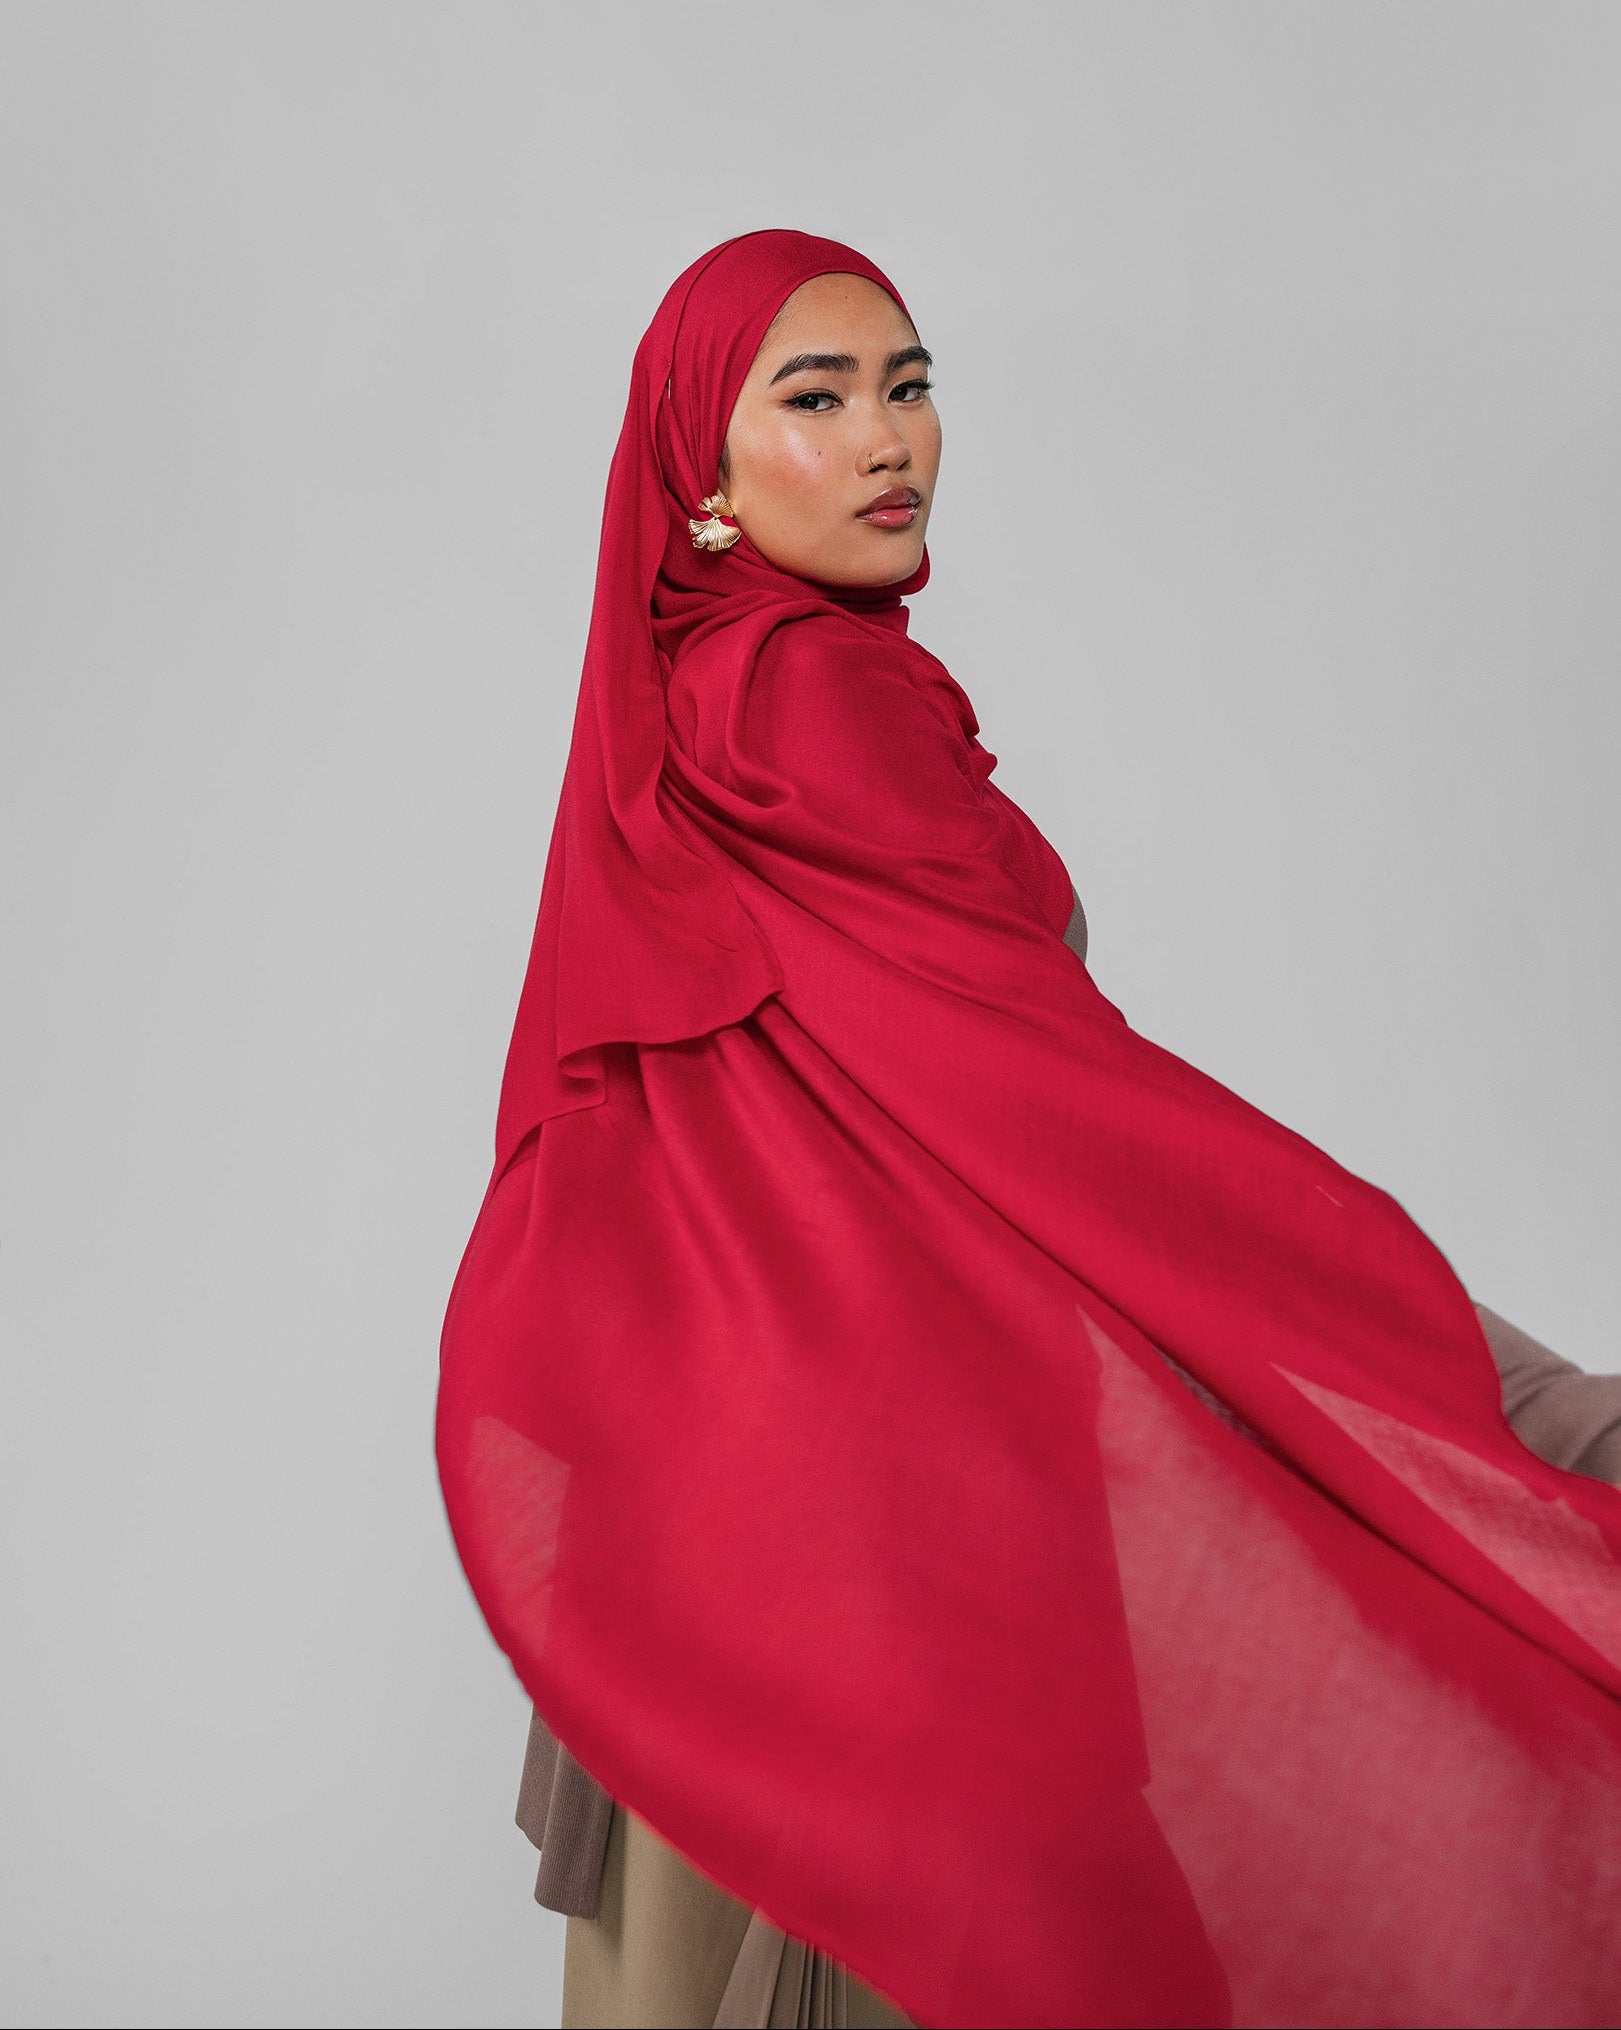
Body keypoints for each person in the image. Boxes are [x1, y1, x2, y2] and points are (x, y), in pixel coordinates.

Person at [437, 231, 1621, 2030]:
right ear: (702, 467)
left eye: (908, 386)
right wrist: (1449, 1366)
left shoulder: (682, 705)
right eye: (814, 397)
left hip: (712, 1477)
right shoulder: (807, 695)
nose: (885, 438)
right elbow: (1053, 1109)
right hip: (885, 1496)